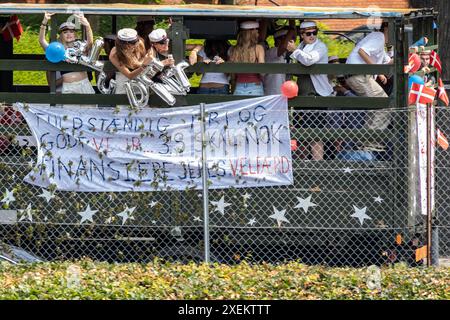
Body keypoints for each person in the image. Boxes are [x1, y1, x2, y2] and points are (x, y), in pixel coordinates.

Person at [287, 21, 334, 161]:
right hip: (302, 93)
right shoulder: (302, 46)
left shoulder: (320, 46)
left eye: (315, 32)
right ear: (302, 35)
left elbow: (309, 60)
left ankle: (317, 165)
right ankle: (303, 166)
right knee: (300, 132)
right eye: (308, 33)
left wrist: (294, 50)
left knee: (315, 133)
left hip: (316, 94)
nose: (312, 36)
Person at [344, 21, 392, 153]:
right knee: (384, 104)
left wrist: (408, 53)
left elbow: (388, 61)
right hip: (359, 75)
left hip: (359, 75)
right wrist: (377, 70)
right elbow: (362, 51)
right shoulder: (379, 36)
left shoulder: (380, 42)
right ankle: (369, 142)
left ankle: (365, 142)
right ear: (386, 28)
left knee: (376, 107)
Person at [39, 12, 96, 100]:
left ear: (75, 34)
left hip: (84, 85)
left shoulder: (80, 46)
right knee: (69, 112)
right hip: (68, 88)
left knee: (89, 111)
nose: (69, 34)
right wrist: (44, 22)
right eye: (65, 32)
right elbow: (42, 41)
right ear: (61, 35)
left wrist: (87, 25)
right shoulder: (58, 49)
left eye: (71, 32)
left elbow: (90, 43)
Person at [109, 28, 153, 97]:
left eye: (137, 40)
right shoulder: (114, 55)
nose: (137, 43)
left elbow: (144, 58)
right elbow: (130, 75)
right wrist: (143, 65)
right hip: (124, 85)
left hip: (141, 83)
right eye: (134, 42)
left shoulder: (139, 43)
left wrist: (147, 59)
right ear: (125, 44)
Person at [229, 21, 265, 96]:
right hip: (255, 86)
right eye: (256, 29)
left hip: (239, 86)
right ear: (252, 33)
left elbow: (232, 74)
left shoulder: (234, 49)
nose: (258, 31)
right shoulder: (258, 48)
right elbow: (263, 72)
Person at [263, 22, 296, 95]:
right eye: (288, 40)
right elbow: (283, 47)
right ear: (279, 40)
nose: (291, 42)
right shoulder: (271, 52)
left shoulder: (287, 54)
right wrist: (292, 29)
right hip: (272, 94)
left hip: (283, 95)